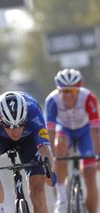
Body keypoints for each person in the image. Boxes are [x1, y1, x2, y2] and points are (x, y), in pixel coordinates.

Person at [0, 91, 56, 213]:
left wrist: (50, 171)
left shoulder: (33, 111)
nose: (16, 131)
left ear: (26, 116)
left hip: (29, 140)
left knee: (38, 192)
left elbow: (45, 150)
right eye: (9, 126)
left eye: (20, 124)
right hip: (2, 139)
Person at [45, 68, 100, 213]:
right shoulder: (52, 100)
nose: (69, 96)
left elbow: (95, 130)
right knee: (59, 147)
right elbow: (49, 132)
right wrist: (51, 157)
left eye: (73, 92)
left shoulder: (88, 98)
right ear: (59, 90)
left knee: (89, 173)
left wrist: (98, 156)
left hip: (84, 132)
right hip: (64, 130)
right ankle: (62, 200)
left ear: (79, 89)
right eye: (65, 92)